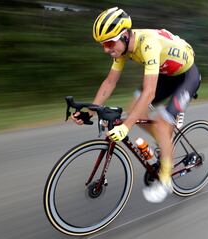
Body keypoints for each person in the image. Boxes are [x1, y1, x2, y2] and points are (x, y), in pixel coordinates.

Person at [71, 7, 201, 203]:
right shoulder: (121, 49)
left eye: (108, 43)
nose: (106, 49)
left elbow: (149, 93)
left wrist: (126, 127)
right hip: (165, 75)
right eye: (102, 45)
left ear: (124, 35)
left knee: (160, 123)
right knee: (134, 111)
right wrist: (89, 112)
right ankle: (165, 143)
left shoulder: (148, 45)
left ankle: (165, 178)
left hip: (186, 77)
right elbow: (109, 83)